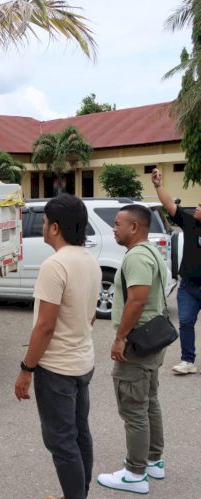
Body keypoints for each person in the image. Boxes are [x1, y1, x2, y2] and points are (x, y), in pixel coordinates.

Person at [14, 194, 101, 499]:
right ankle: (79, 493)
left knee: (62, 442)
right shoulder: (90, 261)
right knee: (80, 435)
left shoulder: (55, 265)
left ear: (53, 227)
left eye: (46, 221)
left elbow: (45, 326)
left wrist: (26, 369)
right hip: (82, 363)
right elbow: (89, 317)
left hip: (57, 370)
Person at [97, 204, 168, 495]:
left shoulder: (137, 257)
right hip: (153, 340)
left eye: (117, 223)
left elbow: (136, 301)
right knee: (149, 400)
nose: (114, 228)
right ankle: (154, 460)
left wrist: (120, 338)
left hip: (137, 344)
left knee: (134, 407)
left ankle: (135, 473)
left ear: (134, 227)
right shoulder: (151, 252)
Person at [152, 167, 201, 374]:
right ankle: (187, 361)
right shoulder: (190, 223)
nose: (197, 207)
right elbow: (169, 205)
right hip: (188, 286)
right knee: (186, 323)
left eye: (200, 205)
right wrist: (158, 185)